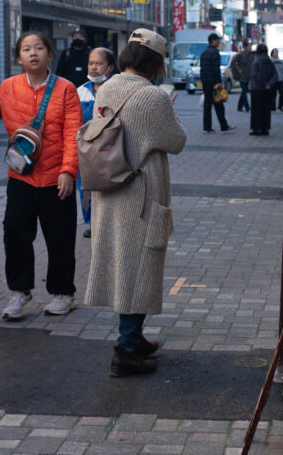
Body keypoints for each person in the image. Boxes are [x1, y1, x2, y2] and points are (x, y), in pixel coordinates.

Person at [85, 28, 187, 377]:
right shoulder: (153, 97)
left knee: (123, 262)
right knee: (138, 267)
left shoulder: (107, 86)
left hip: (110, 187)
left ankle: (135, 337)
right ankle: (127, 350)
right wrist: (170, 113)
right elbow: (176, 141)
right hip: (141, 193)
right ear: (155, 61)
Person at [0, 32, 83, 321]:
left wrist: (68, 171)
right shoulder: (8, 87)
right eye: (26, 49)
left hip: (56, 178)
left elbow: (73, 134)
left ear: (50, 54)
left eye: (39, 48)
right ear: (18, 57)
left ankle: (62, 292)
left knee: (60, 238)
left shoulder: (66, 89)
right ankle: (19, 292)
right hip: (21, 177)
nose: (33, 53)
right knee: (14, 232)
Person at [78, 47, 116, 237]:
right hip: (86, 151)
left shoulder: (116, 91)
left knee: (111, 187)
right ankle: (93, 223)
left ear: (110, 67)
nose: (94, 68)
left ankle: (110, 222)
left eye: (99, 63)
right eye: (91, 63)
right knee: (85, 188)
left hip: (111, 149)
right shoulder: (80, 92)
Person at [200, 33, 234, 133]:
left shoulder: (204, 53)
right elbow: (216, 69)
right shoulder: (214, 52)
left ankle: (207, 127)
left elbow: (203, 69)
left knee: (207, 105)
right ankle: (224, 126)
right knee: (219, 104)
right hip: (214, 83)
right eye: (217, 40)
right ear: (213, 41)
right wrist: (219, 82)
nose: (219, 42)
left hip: (206, 82)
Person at [249, 43, 279, 136]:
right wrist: (269, 84)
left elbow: (255, 75)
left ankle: (256, 129)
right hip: (268, 89)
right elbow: (275, 75)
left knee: (256, 109)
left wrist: (263, 84)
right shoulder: (270, 62)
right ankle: (265, 129)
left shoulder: (256, 62)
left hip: (256, 88)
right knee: (266, 109)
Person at [228, 40, 254, 112]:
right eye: (249, 46)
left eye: (250, 47)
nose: (250, 48)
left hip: (249, 77)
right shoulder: (240, 55)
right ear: (245, 47)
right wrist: (238, 69)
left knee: (244, 92)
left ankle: (239, 107)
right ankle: (247, 107)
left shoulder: (252, 56)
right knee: (244, 92)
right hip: (242, 76)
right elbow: (233, 63)